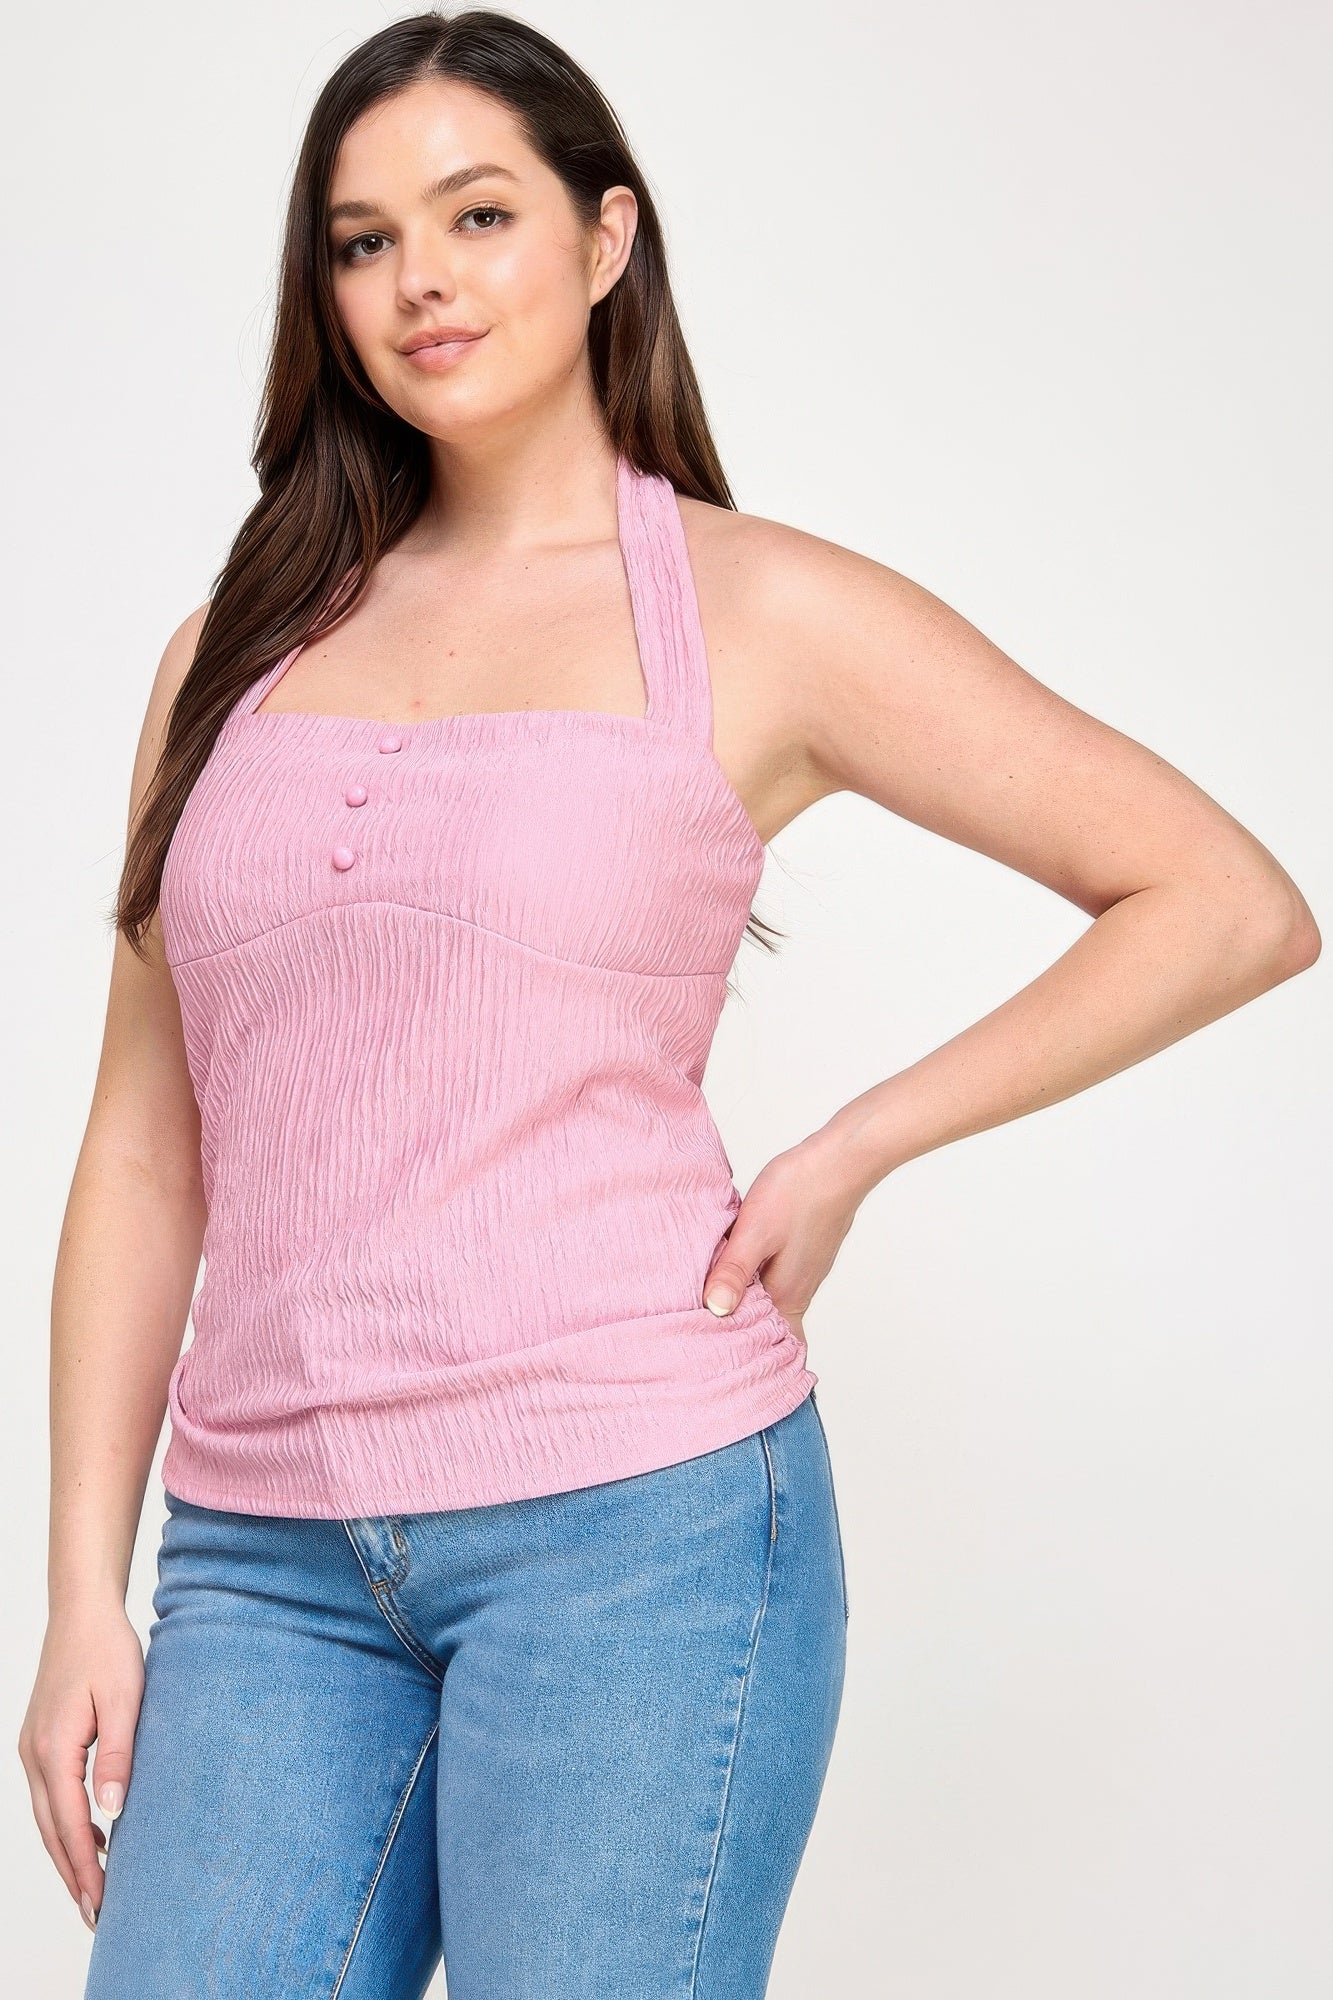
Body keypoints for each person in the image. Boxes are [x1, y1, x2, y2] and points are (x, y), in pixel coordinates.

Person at [19, 9, 1319, 1998]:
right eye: (363, 241)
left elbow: (1224, 902)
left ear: (606, 237)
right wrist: (78, 1592)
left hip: (635, 1535)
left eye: (478, 214)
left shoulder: (753, 609)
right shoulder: (232, 651)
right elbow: (140, 1145)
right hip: (263, 1566)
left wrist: (857, 1142)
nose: (420, 278)